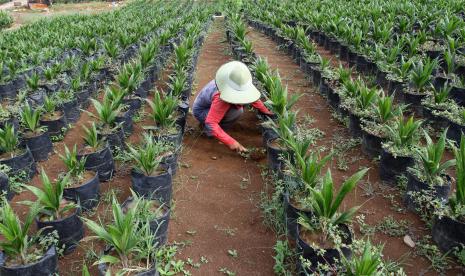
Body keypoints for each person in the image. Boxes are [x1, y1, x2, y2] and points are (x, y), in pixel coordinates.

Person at [193, 61, 273, 153]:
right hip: (202, 111)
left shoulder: (237, 82)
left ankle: (219, 130)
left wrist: (266, 111)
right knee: (236, 112)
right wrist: (232, 143)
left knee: (238, 108)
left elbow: (252, 98)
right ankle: (209, 132)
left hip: (210, 105)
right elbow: (211, 123)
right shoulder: (221, 96)